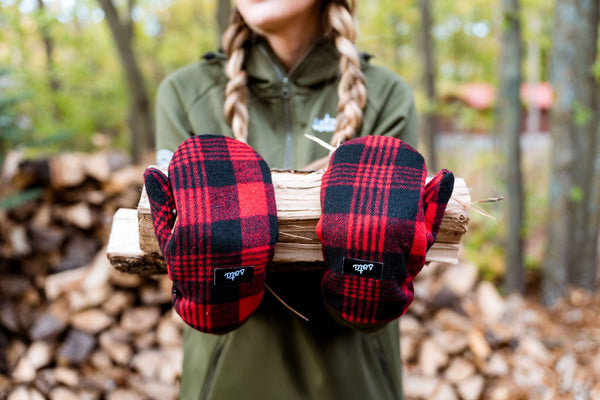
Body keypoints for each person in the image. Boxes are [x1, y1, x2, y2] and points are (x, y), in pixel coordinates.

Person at [154, 1, 418, 399]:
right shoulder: (186, 92)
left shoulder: (385, 94)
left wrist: (368, 265)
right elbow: (188, 280)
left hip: (354, 383)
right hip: (227, 384)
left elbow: (377, 289)